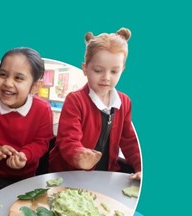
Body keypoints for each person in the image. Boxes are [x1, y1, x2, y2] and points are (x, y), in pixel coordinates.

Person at [48, 28, 142, 180]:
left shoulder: (124, 102)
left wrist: (140, 167)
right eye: (98, 70)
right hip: (68, 174)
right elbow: (68, 140)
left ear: (122, 70)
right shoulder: (75, 100)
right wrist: (79, 156)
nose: (106, 77)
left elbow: (130, 141)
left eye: (114, 72)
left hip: (104, 174)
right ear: (85, 69)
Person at [0, 47, 55, 195]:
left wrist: (25, 155)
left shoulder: (43, 109)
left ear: (35, 86)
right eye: (3, 75)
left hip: (27, 176)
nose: (8, 83)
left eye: (18, 78)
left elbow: (42, 142)